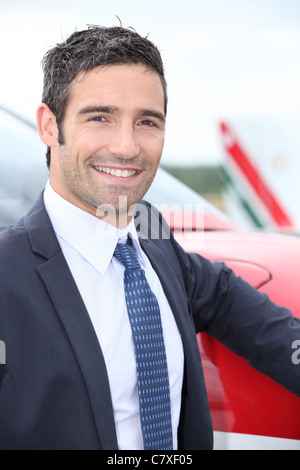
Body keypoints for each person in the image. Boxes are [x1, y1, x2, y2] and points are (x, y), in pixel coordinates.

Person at [0, 25, 299, 451]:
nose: (126, 146)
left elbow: (223, 295)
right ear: (49, 126)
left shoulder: (151, 239)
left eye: (146, 122)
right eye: (100, 117)